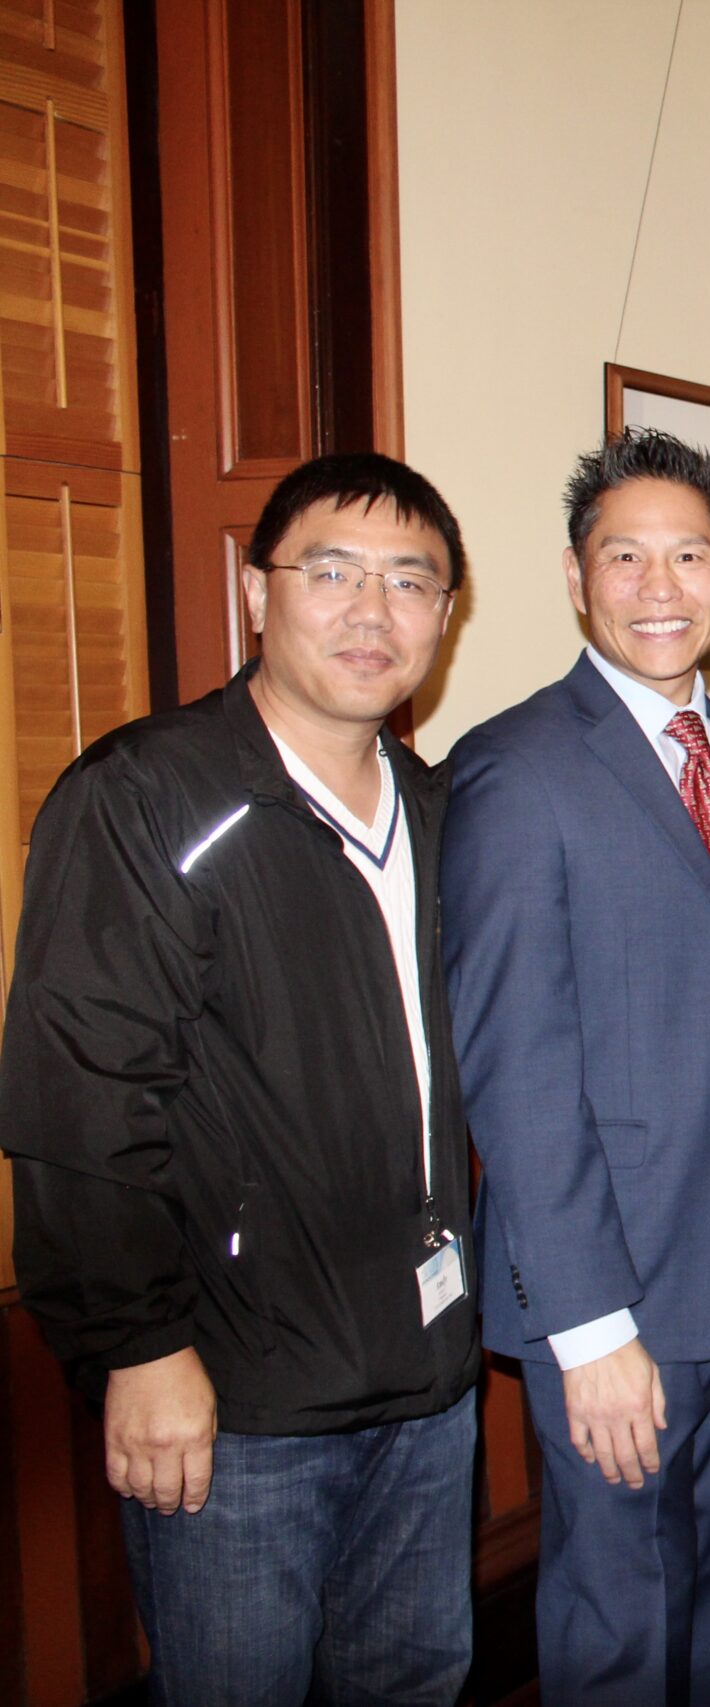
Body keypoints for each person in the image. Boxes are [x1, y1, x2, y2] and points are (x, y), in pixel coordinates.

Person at [3, 455, 477, 1705]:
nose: (372, 611)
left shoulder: (438, 814)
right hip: (235, 1397)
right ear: (260, 592)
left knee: (413, 1684)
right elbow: (80, 1097)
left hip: (429, 1385)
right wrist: (142, 1347)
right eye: (331, 572)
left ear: (445, 614)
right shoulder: (147, 796)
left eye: (409, 581)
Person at [442, 428, 710, 1707]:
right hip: (615, 1278)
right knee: (621, 1618)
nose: (659, 586)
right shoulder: (515, 770)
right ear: (574, 577)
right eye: (626, 557)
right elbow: (518, 1071)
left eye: (687, 556)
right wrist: (589, 1327)